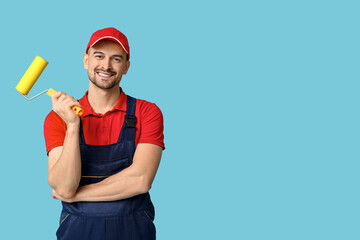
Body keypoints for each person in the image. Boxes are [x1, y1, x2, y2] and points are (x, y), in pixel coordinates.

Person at [43, 27, 165, 240]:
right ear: (85, 60)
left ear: (126, 66)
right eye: (99, 56)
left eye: (116, 59)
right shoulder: (58, 117)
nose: (106, 66)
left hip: (134, 230)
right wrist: (73, 126)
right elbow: (63, 185)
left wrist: (75, 196)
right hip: (77, 232)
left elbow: (140, 179)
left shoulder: (147, 112)